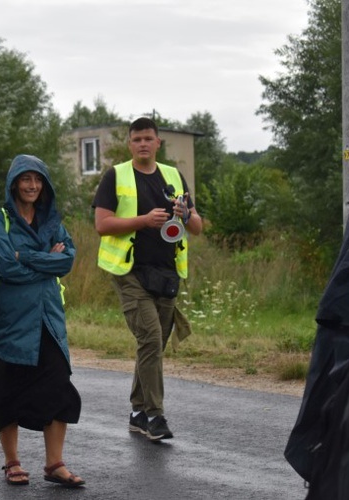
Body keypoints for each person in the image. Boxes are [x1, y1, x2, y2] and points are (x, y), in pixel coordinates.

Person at [92, 117, 202, 441]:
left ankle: (138, 412)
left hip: (167, 274)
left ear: (158, 143)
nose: (143, 143)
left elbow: (197, 227)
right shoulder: (116, 175)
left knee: (152, 345)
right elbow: (102, 224)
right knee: (151, 338)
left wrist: (186, 214)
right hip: (128, 272)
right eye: (137, 139)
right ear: (130, 143)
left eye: (148, 138)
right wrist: (143, 220)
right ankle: (155, 416)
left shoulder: (173, 175)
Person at [0, 154, 85, 488]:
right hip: (9, 320)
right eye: (26, 179)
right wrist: (44, 260)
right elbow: (3, 263)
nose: (32, 186)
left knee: (58, 387)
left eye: (38, 179)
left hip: (47, 318)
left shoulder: (52, 221)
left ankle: (54, 463)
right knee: (6, 388)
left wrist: (24, 255)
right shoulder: (0, 219)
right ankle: (12, 462)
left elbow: (67, 260)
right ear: (14, 183)